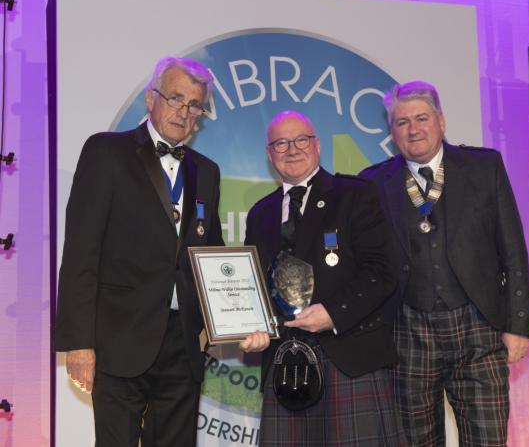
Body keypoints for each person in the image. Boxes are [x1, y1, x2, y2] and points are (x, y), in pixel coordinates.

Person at [55, 56, 224, 447]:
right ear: (151, 99)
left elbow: (210, 257)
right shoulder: (106, 152)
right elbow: (81, 250)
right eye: (175, 98)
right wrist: (80, 342)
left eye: (194, 104)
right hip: (119, 339)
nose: (184, 112)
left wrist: (228, 321)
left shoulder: (207, 171)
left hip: (183, 344)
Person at [360, 80, 529, 446]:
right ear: (391, 131)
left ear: (441, 121)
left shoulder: (484, 167)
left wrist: (518, 324)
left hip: (478, 328)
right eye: (401, 122)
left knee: (487, 439)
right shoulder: (372, 182)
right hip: (407, 334)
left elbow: (513, 250)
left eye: (421, 118)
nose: (413, 129)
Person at [240, 110, 406, 446]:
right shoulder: (261, 213)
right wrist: (251, 325)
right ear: (269, 154)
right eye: (281, 143)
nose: (292, 149)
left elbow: (382, 270)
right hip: (285, 364)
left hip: (349, 356)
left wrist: (333, 312)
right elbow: (253, 286)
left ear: (317, 146)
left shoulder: (355, 194)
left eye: (301, 139)